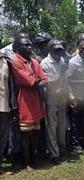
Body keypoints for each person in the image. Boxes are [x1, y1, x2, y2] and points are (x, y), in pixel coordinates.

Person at [11, 37, 47, 171]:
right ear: (18, 47)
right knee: (26, 134)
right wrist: (36, 81)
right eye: (26, 45)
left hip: (36, 100)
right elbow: (29, 81)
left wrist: (36, 81)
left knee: (35, 132)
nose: (29, 47)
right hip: (24, 100)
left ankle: (34, 158)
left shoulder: (34, 61)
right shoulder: (16, 61)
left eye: (30, 45)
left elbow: (44, 79)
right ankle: (27, 163)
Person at [40, 40, 69, 164]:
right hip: (50, 97)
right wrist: (61, 73)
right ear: (50, 49)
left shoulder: (62, 60)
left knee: (62, 125)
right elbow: (48, 82)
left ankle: (62, 149)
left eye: (60, 49)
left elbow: (65, 80)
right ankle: (54, 154)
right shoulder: (45, 63)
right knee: (52, 126)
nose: (58, 52)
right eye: (56, 49)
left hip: (62, 96)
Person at [0, 50, 16, 174]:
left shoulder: (7, 63)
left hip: (4, 106)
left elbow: (11, 85)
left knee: (3, 136)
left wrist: (13, 104)